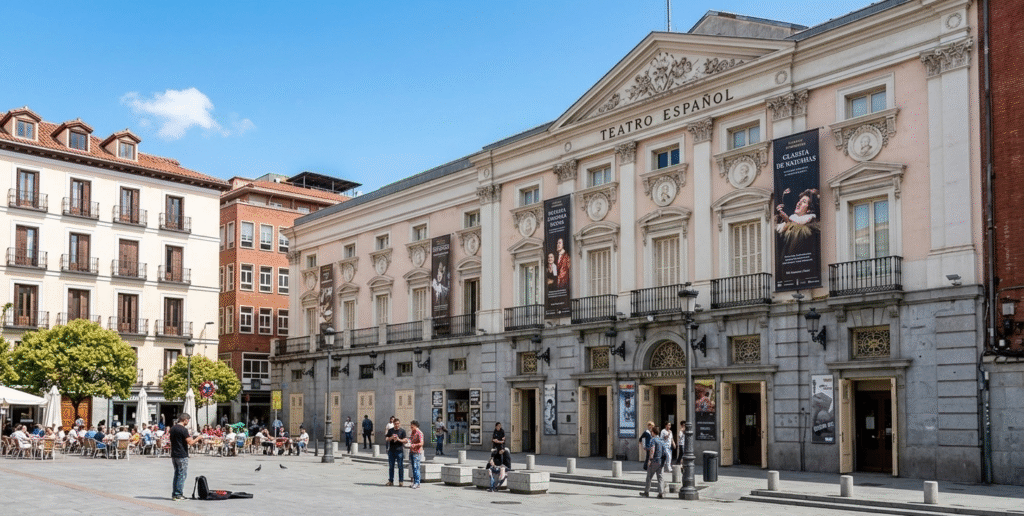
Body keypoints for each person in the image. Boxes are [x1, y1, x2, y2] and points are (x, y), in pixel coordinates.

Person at [775, 188, 820, 256]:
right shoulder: (791, 220)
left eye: (804, 202)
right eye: (799, 200)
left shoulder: (809, 226)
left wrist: (787, 221)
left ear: (809, 210)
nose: (799, 203)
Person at [169, 414, 203, 501]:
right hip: (182, 454)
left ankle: (175, 494)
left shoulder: (173, 428)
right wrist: (198, 438)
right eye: (188, 420)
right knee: (182, 475)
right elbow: (190, 442)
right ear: (185, 420)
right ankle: (178, 495)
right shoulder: (183, 429)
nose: (188, 422)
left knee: (177, 474)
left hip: (174, 454)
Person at [640, 428, 668, 498]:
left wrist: (650, 460)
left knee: (649, 477)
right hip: (661, 461)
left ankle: (646, 492)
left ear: (653, 432)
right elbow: (665, 451)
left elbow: (652, 450)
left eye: (651, 432)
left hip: (654, 461)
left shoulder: (653, 440)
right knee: (660, 478)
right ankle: (661, 493)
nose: (651, 433)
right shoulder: (662, 440)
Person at [385, 418, 408, 487]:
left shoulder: (402, 431)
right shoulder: (390, 430)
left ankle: (401, 481)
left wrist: (399, 439)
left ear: (399, 424)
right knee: (391, 466)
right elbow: (386, 439)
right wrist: (391, 438)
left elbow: (405, 440)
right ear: (393, 424)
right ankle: (391, 481)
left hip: (399, 451)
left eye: (398, 423)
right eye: (395, 424)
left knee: (400, 466)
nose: (397, 425)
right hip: (391, 451)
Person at [408, 420, 424, 489]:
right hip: (411, 451)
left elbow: (421, 443)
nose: (411, 427)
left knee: (416, 467)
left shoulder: (419, 433)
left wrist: (414, 445)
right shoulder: (412, 432)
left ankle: (417, 483)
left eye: (412, 425)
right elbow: (410, 440)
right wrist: (407, 441)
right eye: (411, 425)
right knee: (413, 468)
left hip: (417, 452)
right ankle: (415, 482)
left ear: (416, 425)